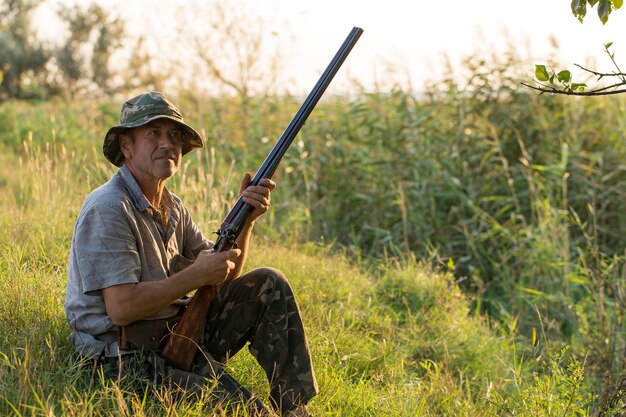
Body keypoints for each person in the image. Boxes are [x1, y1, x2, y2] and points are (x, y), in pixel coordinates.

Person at [64, 91, 318, 416]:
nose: (167, 144)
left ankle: (294, 407)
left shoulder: (172, 205)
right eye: (153, 133)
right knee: (250, 412)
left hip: (176, 333)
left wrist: (246, 221)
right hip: (121, 358)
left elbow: (223, 274)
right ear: (126, 146)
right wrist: (194, 276)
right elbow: (122, 309)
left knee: (269, 282)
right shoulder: (109, 209)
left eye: (174, 135)